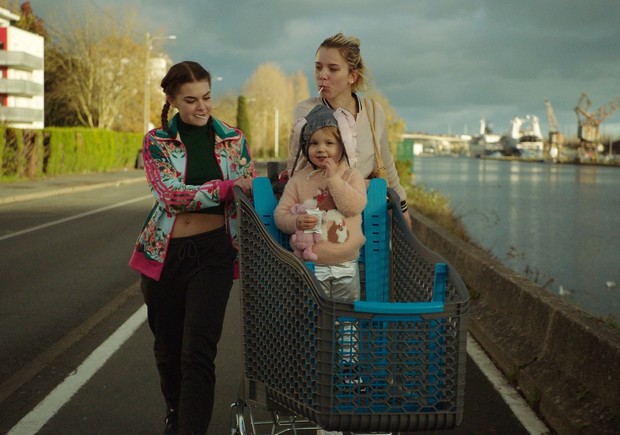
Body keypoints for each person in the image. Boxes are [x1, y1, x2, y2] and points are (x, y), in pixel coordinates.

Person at [129, 61, 255, 435]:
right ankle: (175, 410)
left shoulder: (234, 140)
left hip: (215, 253)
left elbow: (247, 188)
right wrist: (225, 188)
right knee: (168, 350)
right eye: (191, 100)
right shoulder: (156, 142)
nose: (202, 107)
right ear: (172, 100)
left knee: (198, 351)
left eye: (206, 97)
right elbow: (170, 195)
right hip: (165, 254)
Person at [286, 32, 412, 229]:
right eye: (318, 67)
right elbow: (303, 168)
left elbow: (386, 163)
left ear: (352, 76)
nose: (322, 75)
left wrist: (402, 209)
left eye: (333, 69)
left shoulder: (373, 112)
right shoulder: (307, 111)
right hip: (319, 216)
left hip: (368, 218)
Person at [275, 104, 366, 302]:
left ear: (342, 145)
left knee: (346, 313)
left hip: (346, 263)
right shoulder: (298, 180)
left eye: (329, 143)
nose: (321, 149)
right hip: (310, 265)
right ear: (305, 147)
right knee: (312, 313)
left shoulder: (351, 176)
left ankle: (344, 326)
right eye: (314, 143)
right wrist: (296, 222)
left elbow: (353, 207)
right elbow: (280, 214)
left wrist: (333, 178)